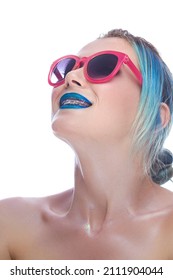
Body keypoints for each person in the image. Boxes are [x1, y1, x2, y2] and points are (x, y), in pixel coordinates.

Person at [0, 29, 173, 260]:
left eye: (102, 66)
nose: (71, 77)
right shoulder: (9, 225)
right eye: (69, 67)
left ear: (155, 117)